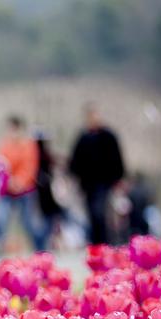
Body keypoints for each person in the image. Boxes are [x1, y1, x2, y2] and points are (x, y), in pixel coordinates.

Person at [68, 103, 126, 245]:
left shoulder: (108, 136)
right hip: (88, 183)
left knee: (99, 211)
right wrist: (75, 176)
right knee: (92, 213)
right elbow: (75, 160)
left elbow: (117, 158)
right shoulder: (83, 137)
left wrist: (118, 177)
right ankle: (96, 242)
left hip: (104, 181)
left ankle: (105, 241)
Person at [0, 115, 46, 255]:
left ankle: (40, 251)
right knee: (0, 219)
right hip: (8, 191)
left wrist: (20, 181)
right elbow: (0, 165)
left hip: (25, 190)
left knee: (29, 223)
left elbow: (30, 166)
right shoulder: (4, 145)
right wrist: (8, 181)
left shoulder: (29, 145)